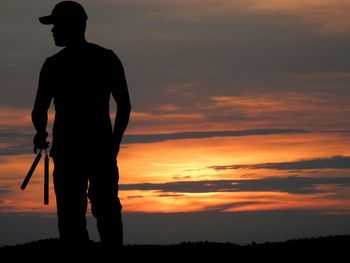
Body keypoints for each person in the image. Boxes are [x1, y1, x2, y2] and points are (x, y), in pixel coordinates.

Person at [31, 1, 131, 260]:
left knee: (71, 218)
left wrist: (41, 133)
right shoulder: (106, 58)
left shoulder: (53, 65)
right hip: (99, 151)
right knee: (107, 213)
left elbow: (39, 109)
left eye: (56, 25)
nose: (52, 31)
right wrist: (114, 143)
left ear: (72, 26)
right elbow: (125, 106)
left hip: (69, 154)